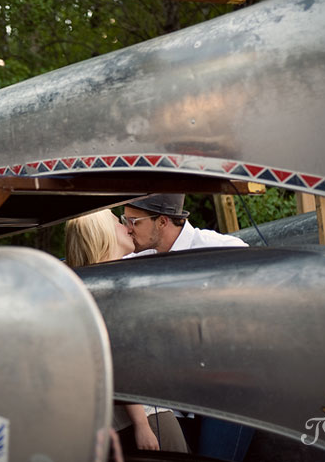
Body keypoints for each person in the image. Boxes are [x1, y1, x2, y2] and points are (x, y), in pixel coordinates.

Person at [120, 193, 253, 461]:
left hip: (225, 393)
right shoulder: (137, 260)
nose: (127, 228)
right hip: (175, 400)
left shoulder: (222, 249)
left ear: (163, 221)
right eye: (125, 221)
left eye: (134, 221)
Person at [66, 209, 189, 454]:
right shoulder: (109, 289)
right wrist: (142, 424)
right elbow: (120, 359)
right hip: (146, 415)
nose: (128, 228)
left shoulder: (84, 288)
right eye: (119, 223)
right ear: (103, 235)